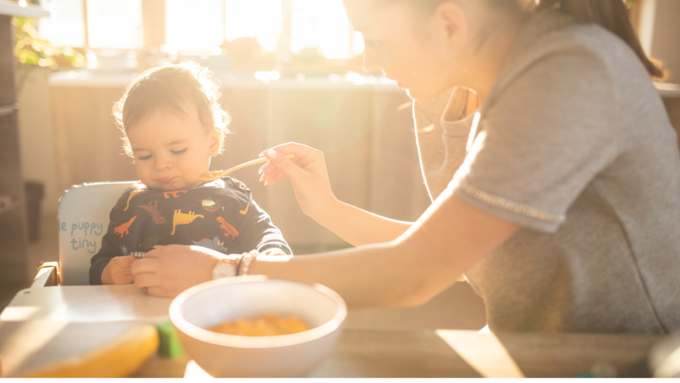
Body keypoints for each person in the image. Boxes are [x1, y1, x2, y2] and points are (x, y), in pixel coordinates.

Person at [130, 0, 680, 334]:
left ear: (449, 24)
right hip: (536, 350)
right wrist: (328, 208)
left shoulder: (569, 74)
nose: (370, 60)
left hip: (631, 359)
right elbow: (461, 254)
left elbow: (417, 272)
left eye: (376, 40)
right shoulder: (445, 97)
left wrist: (226, 273)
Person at [89, 62, 291, 285]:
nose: (161, 164)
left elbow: (266, 235)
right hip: (142, 310)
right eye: (145, 155)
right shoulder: (130, 204)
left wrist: (272, 253)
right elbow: (100, 262)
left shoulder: (234, 197)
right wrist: (107, 272)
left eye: (177, 150)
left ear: (212, 142)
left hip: (217, 308)